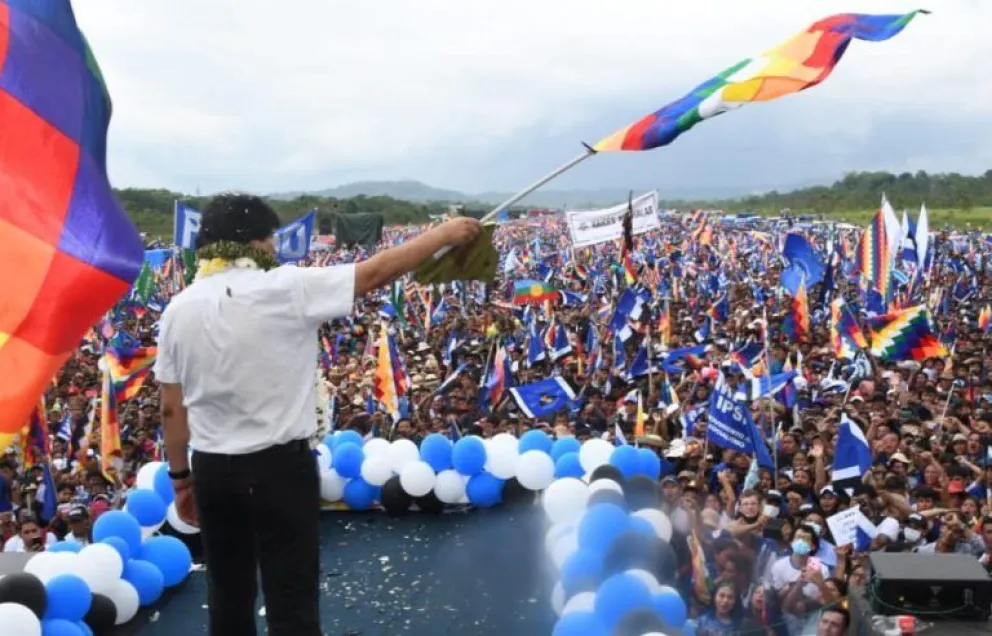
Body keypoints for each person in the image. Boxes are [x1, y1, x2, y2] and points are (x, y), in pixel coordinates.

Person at [154, 193, 481, 635]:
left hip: (212, 469)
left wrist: (180, 479)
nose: (274, 248)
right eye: (270, 239)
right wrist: (442, 234)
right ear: (255, 241)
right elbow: (376, 272)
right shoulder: (286, 288)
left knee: (227, 596)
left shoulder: (177, 309)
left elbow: (172, 408)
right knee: (292, 600)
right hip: (279, 469)